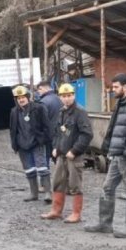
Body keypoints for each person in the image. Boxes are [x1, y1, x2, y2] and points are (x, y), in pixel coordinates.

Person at [85, 73, 126, 238]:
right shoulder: (120, 103)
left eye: (116, 87)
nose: (113, 90)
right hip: (117, 154)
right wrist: (107, 147)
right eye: (112, 87)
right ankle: (105, 224)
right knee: (107, 187)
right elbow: (114, 129)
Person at [41, 83, 93, 222]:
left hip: (74, 155)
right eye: (64, 96)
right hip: (62, 154)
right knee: (58, 182)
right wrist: (55, 147)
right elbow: (58, 132)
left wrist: (75, 150)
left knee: (75, 184)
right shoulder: (62, 111)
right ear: (60, 97)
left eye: (69, 96)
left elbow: (87, 134)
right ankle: (56, 211)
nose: (66, 99)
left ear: (74, 95)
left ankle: (76, 213)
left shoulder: (80, 112)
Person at [9, 85, 53, 203]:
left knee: (42, 167)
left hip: (36, 143)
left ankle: (48, 193)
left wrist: (44, 140)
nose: (21, 100)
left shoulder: (38, 108)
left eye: (23, 97)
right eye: (18, 98)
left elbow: (47, 126)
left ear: (28, 97)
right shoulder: (14, 112)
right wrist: (15, 144)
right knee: (29, 170)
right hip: (22, 145)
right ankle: (34, 194)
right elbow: (13, 129)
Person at [36, 80, 62, 163]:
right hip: (61, 133)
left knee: (45, 159)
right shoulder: (59, 98)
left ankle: (46, 176)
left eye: (39, 90)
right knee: (60, 159)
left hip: (49, 136)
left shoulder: (43, 102)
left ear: (43, 88)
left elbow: (40, 121)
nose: (38, 92)